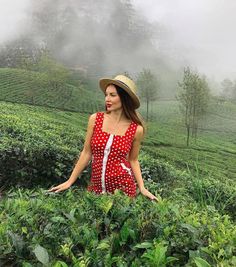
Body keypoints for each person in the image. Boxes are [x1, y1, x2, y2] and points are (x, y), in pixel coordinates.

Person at [48, 75, 157, 201]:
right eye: (106, 95)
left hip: (123, 190)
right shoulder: (95, 119)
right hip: (96, 187)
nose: (107, 99)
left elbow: (133, 160)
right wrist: (70, 181)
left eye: (112, 95)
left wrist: (142, 188)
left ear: (124, 98)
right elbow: (86, 152)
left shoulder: (136, 129)